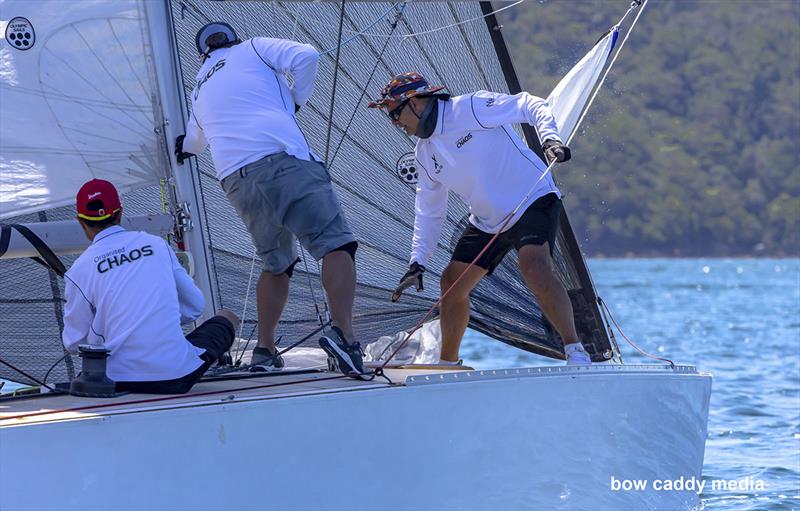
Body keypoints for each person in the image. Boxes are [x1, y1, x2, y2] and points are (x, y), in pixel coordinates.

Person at [174, 22, 364, 375]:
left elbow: (194, 143)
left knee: (277, 263)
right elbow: (306, 56)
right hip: (281, 160)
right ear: (234, 39)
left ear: (204, 53)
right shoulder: (254, 47)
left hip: (236, 181)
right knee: (337, 245)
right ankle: (346, 336)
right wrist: (295, 101)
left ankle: (264, 349)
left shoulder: (199, 85)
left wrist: (180, 147)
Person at [368, 72, 591, 366]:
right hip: (488, 222)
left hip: (533, 198)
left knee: (534, 266)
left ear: (417, 102)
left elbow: (529, 104)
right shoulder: (423, 153)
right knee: (451, 281)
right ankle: (448, 364)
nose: (395, 122)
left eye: (395, 112)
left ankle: (575, 350)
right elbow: (429, 209)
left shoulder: (470, 107)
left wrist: (550, 138)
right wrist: (418, 260)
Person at [62, 179, 240, 394]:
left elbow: (74, 342)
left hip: (114, 381)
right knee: (227, 316)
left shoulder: (78, 271)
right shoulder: (156, 245)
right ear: (120, 214)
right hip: (176, 376)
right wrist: (155, 316)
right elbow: (195, 305)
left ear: (80, 222)